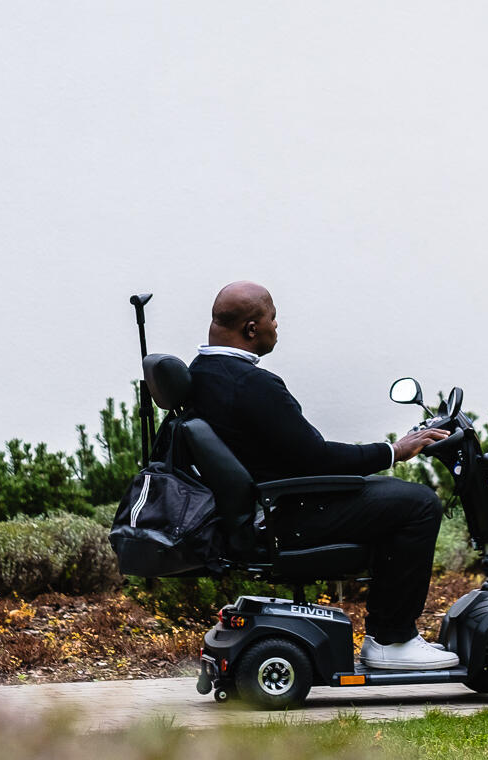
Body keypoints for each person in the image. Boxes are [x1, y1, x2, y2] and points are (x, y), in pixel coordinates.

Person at [185, 281, 457, 670]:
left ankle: (390, 632)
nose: (277, 326)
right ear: (251, 328)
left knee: (388, 496)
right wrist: (393, 451)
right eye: (272, 317)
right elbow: (316, 458)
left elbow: (301, 454)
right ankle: (393, 640)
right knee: (418, 504)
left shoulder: (204, 373)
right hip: (284, 513)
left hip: (262, 506)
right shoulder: (251, 383)